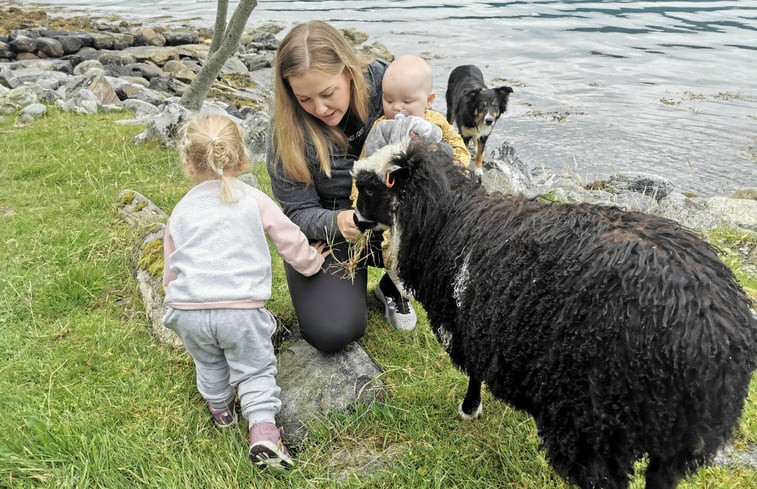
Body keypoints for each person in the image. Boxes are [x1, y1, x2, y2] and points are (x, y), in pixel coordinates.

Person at [266, 21, 449, 351]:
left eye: (328, 93)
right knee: (334, 330)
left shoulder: (386, 83)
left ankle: (393, 286)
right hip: (333, 226)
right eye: (304, 98)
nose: (320, 109)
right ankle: (352, 280)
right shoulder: (285, 131)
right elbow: (296, 211)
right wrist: (335, 223)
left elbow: (442, 139)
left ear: (349, 73)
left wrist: (427, 149)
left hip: (393, 213)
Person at [162, 113, 331, 470]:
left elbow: (171, 264)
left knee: (208, 361)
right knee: (254, 370)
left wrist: (175, 300)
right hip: (239, 310)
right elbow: (289, 240)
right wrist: (312, 263)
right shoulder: (253, 199)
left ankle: (222, 411)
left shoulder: (182, 210)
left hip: (186, 309)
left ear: (188, 164)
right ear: (241, 159)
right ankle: (265, 433)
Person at [361, 54, 470, 166]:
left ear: (429, 100)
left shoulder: (436, 120)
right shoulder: (381, 127)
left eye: (406, 102)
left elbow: (458, 145)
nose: (396, 107)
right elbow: (364, 161)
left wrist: (458, 163)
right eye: (389, 100)